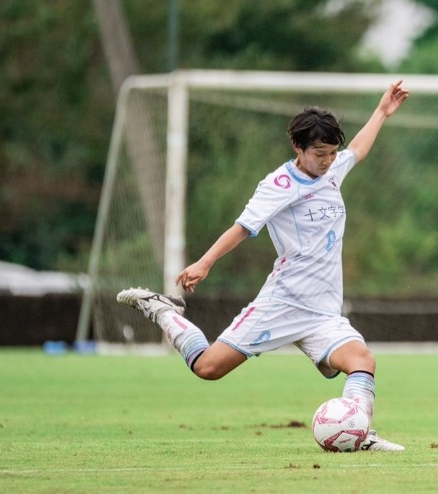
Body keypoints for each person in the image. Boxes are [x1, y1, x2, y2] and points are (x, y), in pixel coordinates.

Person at [117, 80, 410, 451]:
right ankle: (162, 310)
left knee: (362, 360)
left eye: (332, 152)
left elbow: (358, 150)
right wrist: (204, 263)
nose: (327, 160)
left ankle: (358, 432)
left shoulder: (333, 170)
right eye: (319, 152)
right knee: (208, 367)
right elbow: (242, 228)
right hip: (282, 302)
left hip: (322, 310)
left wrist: (382, 111)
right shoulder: (279, 184)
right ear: (298, 147)